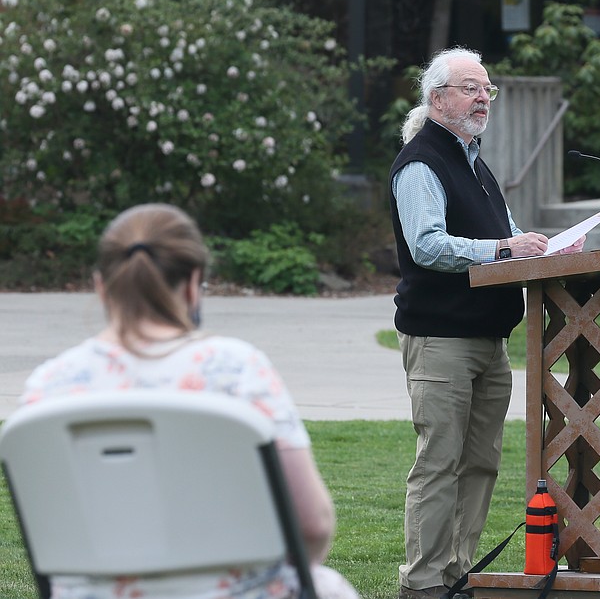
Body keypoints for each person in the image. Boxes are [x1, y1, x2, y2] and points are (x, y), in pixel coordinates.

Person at [20, 203, 360, 599]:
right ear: (193, 282)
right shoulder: (237, 370)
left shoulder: (47, 387)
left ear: (100, 285)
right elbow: (312, 526)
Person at [389, 47, 580, 599]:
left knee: (480, 465)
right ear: (437, 99)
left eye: (487, 89)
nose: (483, 98)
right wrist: (503, 249)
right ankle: (422, 585)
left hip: (489, 340)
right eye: (471, 88)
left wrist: (550, 249)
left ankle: (457, 574)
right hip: (441, 338)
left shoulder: (476, 164)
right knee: (439, 463)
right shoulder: (422, 162)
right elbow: (426, 246)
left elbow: (510, 241)